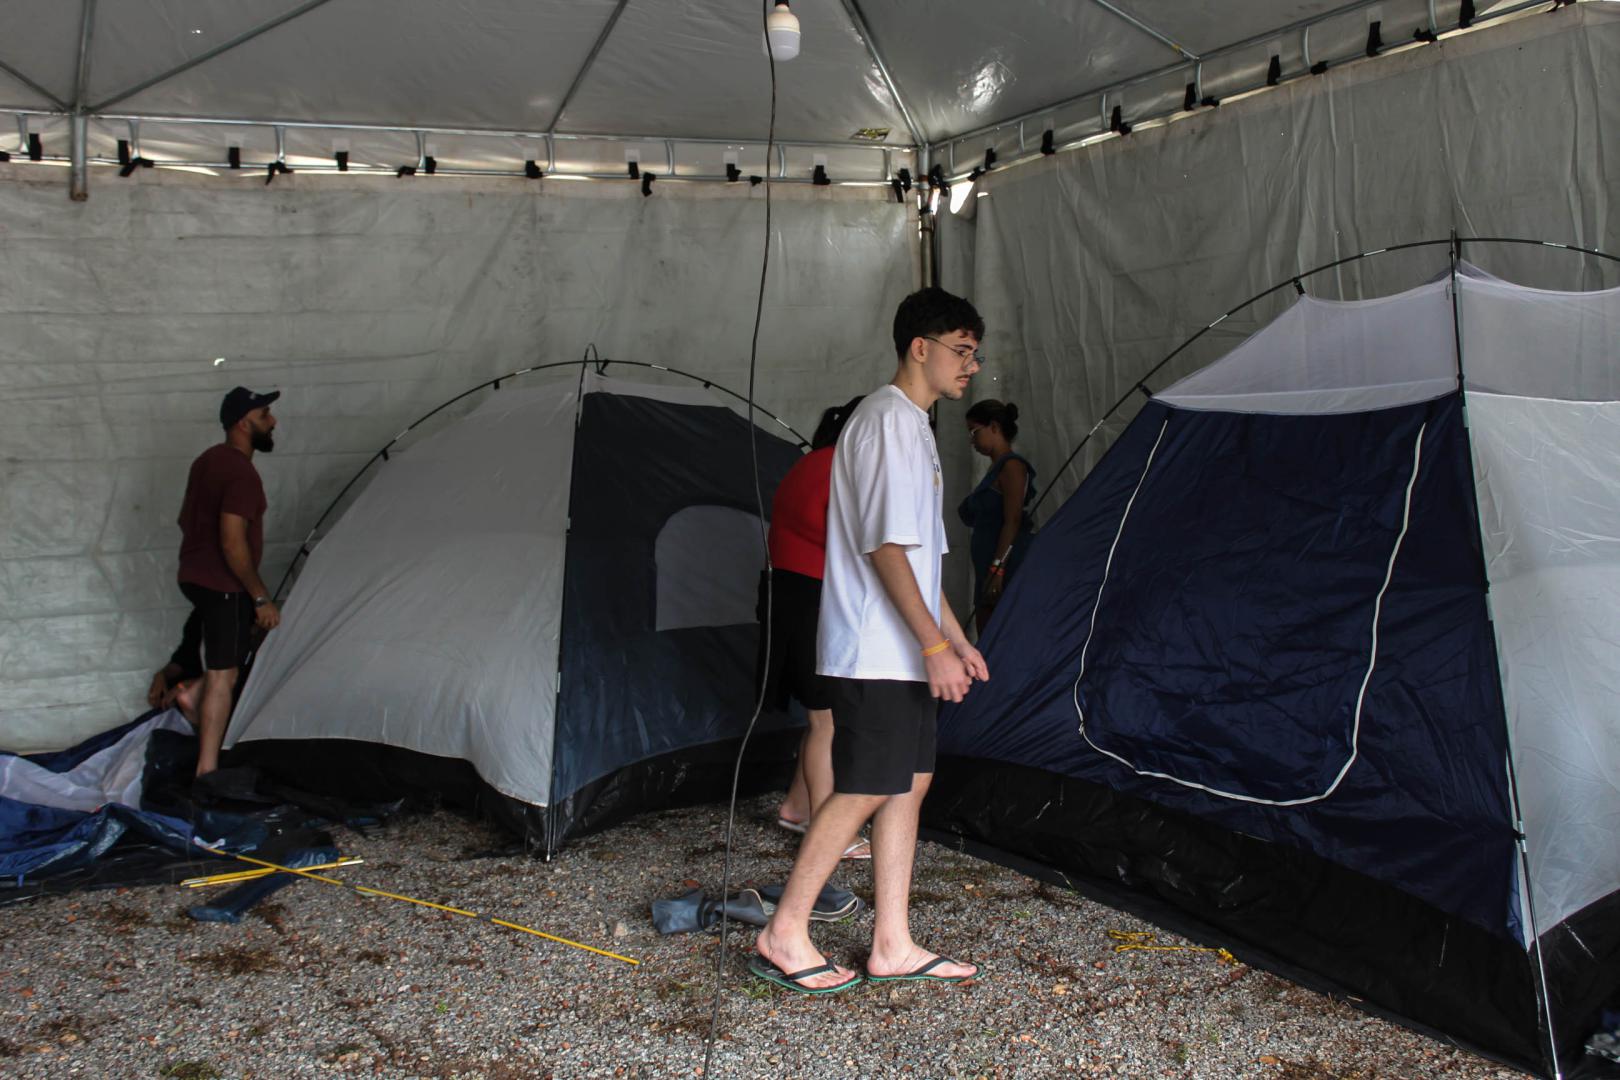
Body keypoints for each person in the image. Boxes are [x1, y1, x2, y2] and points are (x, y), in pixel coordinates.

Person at [752, 286, 989, 994]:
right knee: (863, 786)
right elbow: (885, 548)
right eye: (962, 350)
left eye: (975, 353)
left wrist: (955, 638)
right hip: (873, 649)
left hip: (904, 651)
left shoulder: (915, 426)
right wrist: (933, 646)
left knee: (909, 784)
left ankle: (892, 943)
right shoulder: (885, 421)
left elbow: (920, 558)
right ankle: (784, 932)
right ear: (920, 347)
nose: (972, 365)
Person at [762, 397, 868, 861]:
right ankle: (830, 832)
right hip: (812, 600)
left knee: (819, 714)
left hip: (790, 595)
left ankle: (796, 807)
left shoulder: (810, 462)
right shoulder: (840, 469)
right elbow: (856, 543)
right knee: (827, 719)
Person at [175, 386, 282, 777]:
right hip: (224, 584)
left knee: (228, 664)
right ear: (243, 423)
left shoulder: (206, 461)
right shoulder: (241, 473)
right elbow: (232, 540)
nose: (273, 421)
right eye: (264, 415)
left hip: (194, 576)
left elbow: (184, 520)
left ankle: (194, 694)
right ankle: (207, 772)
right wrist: (259, 597)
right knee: (224, 675)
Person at [958, 400, 1038, 635]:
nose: (972, 440)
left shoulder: (1012, 466)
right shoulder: (996, 468)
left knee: (997, 634)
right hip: (989, 565)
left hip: (1003, 564)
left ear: (993, 427)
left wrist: (997, 570)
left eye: (974, 431)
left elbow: (1012, 520)